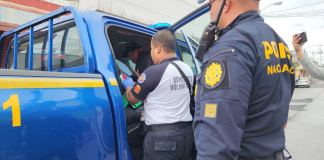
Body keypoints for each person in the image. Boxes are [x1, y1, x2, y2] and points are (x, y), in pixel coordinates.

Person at [193, 0, 295, 159]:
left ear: (225, 4)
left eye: (210, 4)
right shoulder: (279, 43)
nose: (210, 11)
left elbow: (217, 145)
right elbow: (282, 108)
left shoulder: (230, 48)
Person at [121, 30, 194, 160]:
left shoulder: (153, 72)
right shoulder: (187, 69)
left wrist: (128, 86)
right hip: (186, 135)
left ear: (158, 48)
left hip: (162, 140)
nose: (151, 53)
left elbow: (132, 99)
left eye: (151, 49)